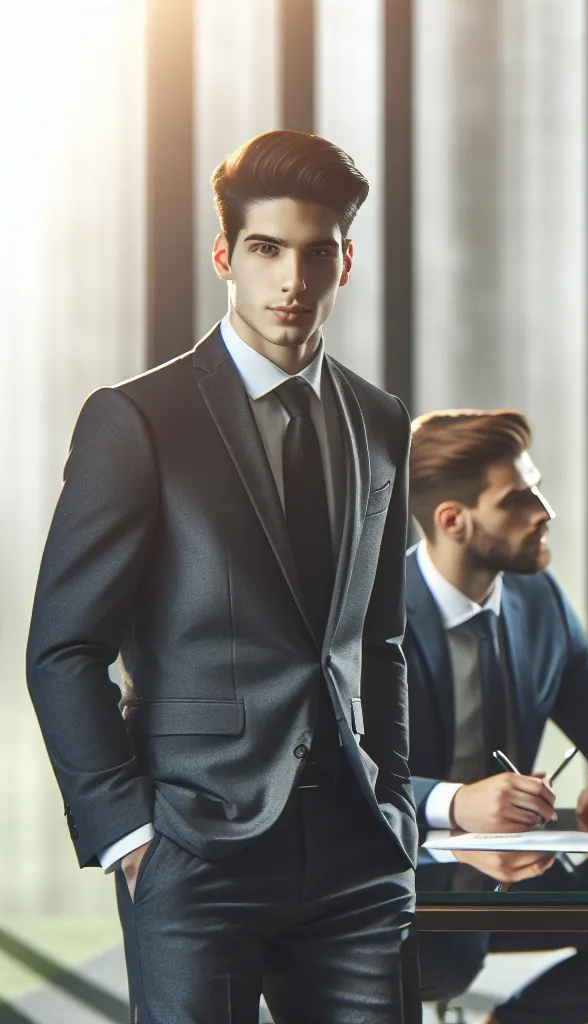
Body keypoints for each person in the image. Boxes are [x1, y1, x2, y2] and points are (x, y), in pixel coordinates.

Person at [25, 130, 414, 1020]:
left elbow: (380, 638)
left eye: (317, 253)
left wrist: (394, 795)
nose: (292, 280)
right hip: (193, 846)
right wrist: (128, 833)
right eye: (266, 249)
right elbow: (64, 648)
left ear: (346, 262)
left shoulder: (381, 420)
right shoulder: (138, 420)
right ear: (224, 257)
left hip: (358, 850)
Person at [403, 409, 588, 1024]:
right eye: (517, 500)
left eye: (537, 489)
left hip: (511, 870)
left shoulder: (537, 598)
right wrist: (455, 803)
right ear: (452, 520)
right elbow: (341, 771)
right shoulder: (371, 615)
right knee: (442, 958)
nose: (545, 511)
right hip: (403, 876)